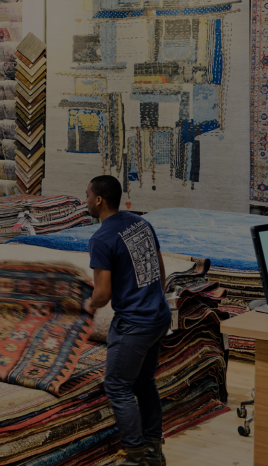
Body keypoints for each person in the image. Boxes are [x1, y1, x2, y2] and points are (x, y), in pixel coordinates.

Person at [82, 175, 170, 466]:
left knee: (118, 387)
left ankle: (135, 457)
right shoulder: (140, 223)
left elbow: (103, 293)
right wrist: (153, 300)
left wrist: (87, 305)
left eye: (87, 195)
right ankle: (154, 453)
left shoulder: (101, 239)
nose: (85, 200)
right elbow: (159, 269)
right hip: (159, 317)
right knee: (144, 382)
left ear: (98, 200)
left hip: (135, 325)